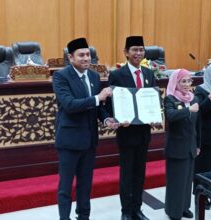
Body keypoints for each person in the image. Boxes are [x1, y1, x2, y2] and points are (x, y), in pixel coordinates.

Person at [52, 38, 112, 220]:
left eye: (88, 54)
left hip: (89, 140)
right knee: (65, 187)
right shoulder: (60, 76)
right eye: (82, 55)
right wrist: (97, 98)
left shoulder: (93, 76)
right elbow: (69, 104)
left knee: (85, 185)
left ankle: (83, 216)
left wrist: (107, 118)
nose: (87, 58)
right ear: (70, 57)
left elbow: (99, 106)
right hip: (69, 141)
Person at [106, 36, 156, 220]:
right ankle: (126, 211)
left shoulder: (149, 74)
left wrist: (154, 116)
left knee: (140, 174)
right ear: (126, 52)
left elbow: (153, 100)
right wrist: (118, 118)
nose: (138, 53)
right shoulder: (117, 75)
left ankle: (137, 209)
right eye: (134, 49)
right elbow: (111, 103)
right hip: (126, 132)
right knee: (127, 174)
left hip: (144, 132)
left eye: (141, 50)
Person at [164, 69, 201, 220]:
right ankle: (173, 211)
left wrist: (198, 145)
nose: (187, 84)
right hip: (176, 148)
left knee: (187, 182)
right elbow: (171, 116)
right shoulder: (170, 99)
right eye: (183, 81)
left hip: (191, 147)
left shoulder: (193, 98)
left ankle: (184, 207)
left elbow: (198, 125)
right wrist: (188, 110)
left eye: (189, 81)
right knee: (176, 182)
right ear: (176, 82)